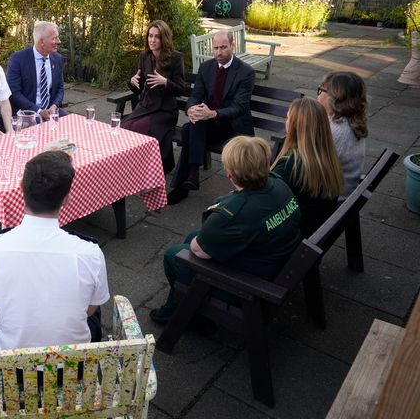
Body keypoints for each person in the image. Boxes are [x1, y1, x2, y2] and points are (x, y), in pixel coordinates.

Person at [150, 136, 301, 325]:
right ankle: (177, 305)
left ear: (231, 173)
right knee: (190, 237)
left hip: (252, 284)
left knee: (174, 256)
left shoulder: (233, 213)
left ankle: (188, 313)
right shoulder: (280, 184)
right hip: (276, 258)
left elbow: (199, 249)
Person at [0, 151, 109, 350]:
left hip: (13, 365)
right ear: (66, 199)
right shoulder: (89, 253)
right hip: (72, 366)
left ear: (21, 189)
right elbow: (90, 310)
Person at [168, 30, 256, 205]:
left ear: (232, 46)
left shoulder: (246, 72)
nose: (218, 52)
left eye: (223, 47)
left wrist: (213, 113)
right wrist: (191, 109)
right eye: (215, 48)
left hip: (233, 127)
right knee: (192, 125)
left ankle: (186, 181)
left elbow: (239, 107)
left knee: (188, 130)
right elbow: (195, 95)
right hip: (209, 124)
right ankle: (191, 175)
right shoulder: (206, 67)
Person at [272, 98, 344, 237]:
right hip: (313, 231)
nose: (285, 122)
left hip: (292, 238)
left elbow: (265, 201)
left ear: (295, 126)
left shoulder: (289, 166)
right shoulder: (326, 156)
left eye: (288, 118)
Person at [122, 20, 186, 174]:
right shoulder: (145, 56)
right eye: (150, 36)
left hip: (165, 111)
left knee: (138, 129)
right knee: (124, 128)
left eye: (157, 37)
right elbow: (139, 87)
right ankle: (133, 165)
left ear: (164, 38)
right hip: (146, 107)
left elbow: (181, 89)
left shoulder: (176, 58)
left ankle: (152, 168)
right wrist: (132, 82)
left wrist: (165, 82)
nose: (152, 40)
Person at [316, 71, 368, 201]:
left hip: (331, 199)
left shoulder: (336, 130)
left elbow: (310, 168)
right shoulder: (349, 121)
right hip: (345, 192)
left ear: (335, 97)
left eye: (321, 90)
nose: (318, 94)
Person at [6, 21, 65, 121]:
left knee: (73, 123)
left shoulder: (57, 59)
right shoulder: (18, 59)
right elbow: (14, 93)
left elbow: (60, 88)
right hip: (28, 113)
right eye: (54, 38)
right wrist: (38, 111)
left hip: (50, 110)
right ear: (42, 42)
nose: (59, 41)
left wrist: (54, 106)